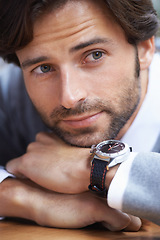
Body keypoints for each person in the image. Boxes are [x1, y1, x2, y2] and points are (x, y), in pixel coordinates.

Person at [0, 0, 160, 230]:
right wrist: (23, 198)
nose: (69, 97)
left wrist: (98, 169)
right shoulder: (12, 95)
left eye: (95, 55)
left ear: (145, 48)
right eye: (44, 68)